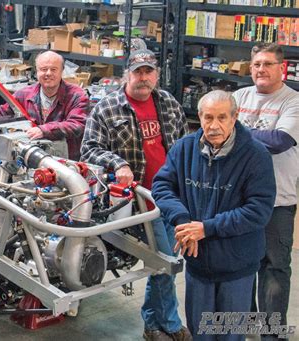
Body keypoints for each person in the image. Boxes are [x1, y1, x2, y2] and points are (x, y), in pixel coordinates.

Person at [80, 48, 191, 341]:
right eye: (138, 72)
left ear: (156, 74)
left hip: (171, 195)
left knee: (160, 263)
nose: (143, 78)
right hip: (139, 200)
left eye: (148, 72)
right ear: (127, 74)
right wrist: (119, 163)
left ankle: (153, 326)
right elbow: (88, 149)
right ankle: (172, 323)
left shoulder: (168, 102)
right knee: (166, 260)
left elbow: (183, 144)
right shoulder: (107, 107)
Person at [152, 90, 276, 340]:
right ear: (199, 116)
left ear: (234, 117)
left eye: (221, 118)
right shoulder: (184, 148)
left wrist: (207, 228)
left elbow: (258, 210)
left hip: (237, 266)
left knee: (230, 333)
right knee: (200, 332)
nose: (214, 126)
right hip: (198, 265)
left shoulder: (256, 155)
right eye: (208, 118)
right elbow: (162, 185)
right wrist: (182, 220)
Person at [232, 43, 299, 332]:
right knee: (241, 266)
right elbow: (215, 133)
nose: (261, 69)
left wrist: (236, 133)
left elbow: (279, 141)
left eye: (268, 64)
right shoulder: (238, 96)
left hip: (277, 202)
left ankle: (272, 334)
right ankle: (246, 326)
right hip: (237, 200)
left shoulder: (293, 101)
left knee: (273, 270)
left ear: (281, 68)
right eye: (257, 63)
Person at [0, 50, 88, 161]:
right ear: (37, 72)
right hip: (30, 160)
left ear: (62, 71)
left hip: (66, 162)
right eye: (43, 69)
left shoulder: (77, 95)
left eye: (53, 69)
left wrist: (43, 130)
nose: (48, 73)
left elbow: (77, 125)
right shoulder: (23, 95)